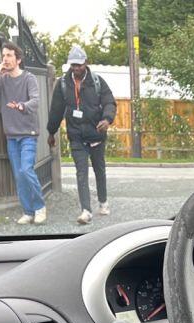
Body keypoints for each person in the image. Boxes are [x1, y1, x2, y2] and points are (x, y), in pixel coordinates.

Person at [47, 45, 116, 225]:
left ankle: (103, 201)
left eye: (79, 65)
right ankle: (86, 210)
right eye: (73, 65)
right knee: (81, 172)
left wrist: (107, 119)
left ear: (86, 63)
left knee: (99, 170)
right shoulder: (63, 84)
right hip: (76, 136)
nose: (76, 68)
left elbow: (109, 102)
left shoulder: (97, 82)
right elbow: (56, 110)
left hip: (96, 134)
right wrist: (51, 131)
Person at [0, 42, 45, 225]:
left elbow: (35, 101)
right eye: (3, 55)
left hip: (28, 134)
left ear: (18, 59)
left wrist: (21, 106)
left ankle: (40, 207)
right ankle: (28, 212)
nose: (5, 59)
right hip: (11, 136)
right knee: (19, 176)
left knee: (26, 169)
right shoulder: (2, 80)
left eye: (9, 55)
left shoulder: (29, 78)